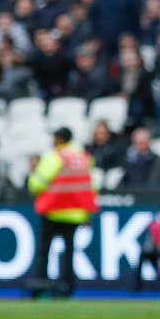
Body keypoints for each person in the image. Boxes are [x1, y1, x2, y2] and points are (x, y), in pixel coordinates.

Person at [24, 127, 99, 299]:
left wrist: (32, 177)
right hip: (75, 213)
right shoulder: (83, 157)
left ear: (59, 139)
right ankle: (67, 288)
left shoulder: (54, 156)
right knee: (69, 253)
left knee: (45, 251)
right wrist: (88, 211)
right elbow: (91, 185)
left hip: (53, 210)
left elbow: (37, 184)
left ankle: (41, 287)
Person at [133, 201, 160, 291]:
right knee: (143, 255)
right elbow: (150, 245)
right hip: (158, 252)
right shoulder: (155, 227)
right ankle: (137, 286)